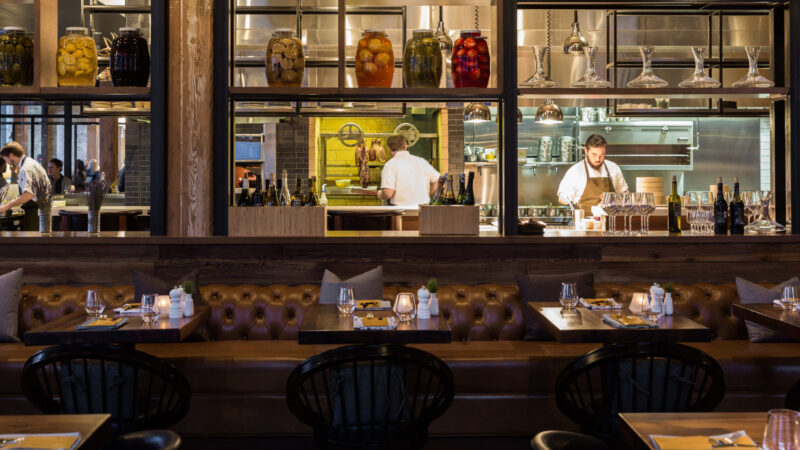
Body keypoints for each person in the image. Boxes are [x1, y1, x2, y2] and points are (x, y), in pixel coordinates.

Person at [557, 134, 629, 215]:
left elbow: (625, 194)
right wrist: (566, 198)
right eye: (594, 155)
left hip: (609, 222)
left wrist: (613, 199)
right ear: (586, 151)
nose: (598, 159)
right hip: (583, 223)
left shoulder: (613, 168)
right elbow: (562, 198)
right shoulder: (575, 171)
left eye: (602, 155)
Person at [376, 134, 440, 207]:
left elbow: (388, 193)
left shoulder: (390, 165)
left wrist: (380, 194)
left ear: (388, 148)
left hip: (401, 213)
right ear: (405, 146)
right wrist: (428, 194)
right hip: (423, 211)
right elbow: (438, 180)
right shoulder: (421, 162)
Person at [0, 141, 50, 213]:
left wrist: (6, 206)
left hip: (37, 208)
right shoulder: (27, 163)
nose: (7, 163)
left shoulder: (27, 167)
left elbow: (28, 194)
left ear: (11, 156)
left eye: (5, 159)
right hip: (37, 206)